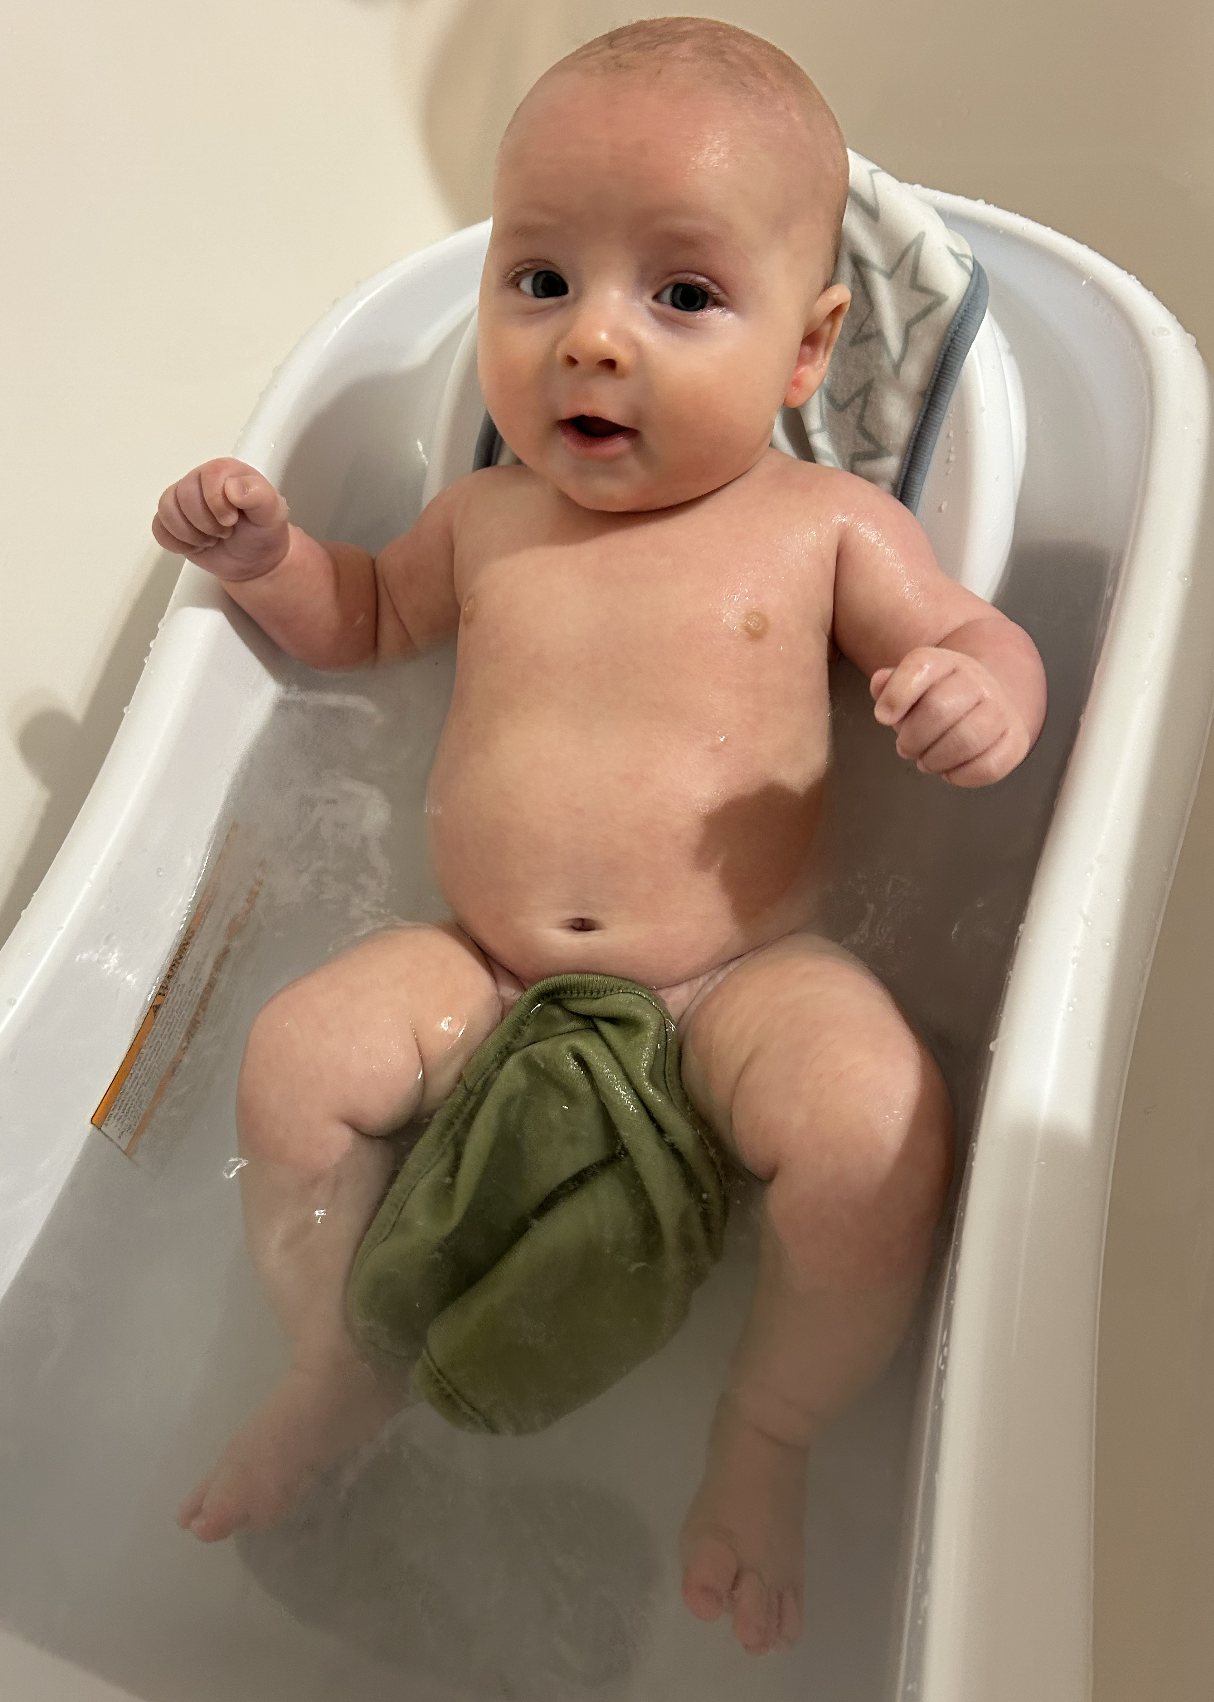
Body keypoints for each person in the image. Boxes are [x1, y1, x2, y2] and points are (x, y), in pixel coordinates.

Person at [153, 17, 1046, 1657]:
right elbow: (361, 619)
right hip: (480, 969)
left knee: (874, 1127)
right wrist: (269, 557)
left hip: (734, 981)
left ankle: (766, 1426)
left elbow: (970, 633)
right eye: (541, 279)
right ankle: (334, 1356)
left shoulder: (824, 525)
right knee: (291, 1061)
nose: (591, 341)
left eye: (681, 293)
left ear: (807, 349)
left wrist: (976, 691)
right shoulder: (485, 518)